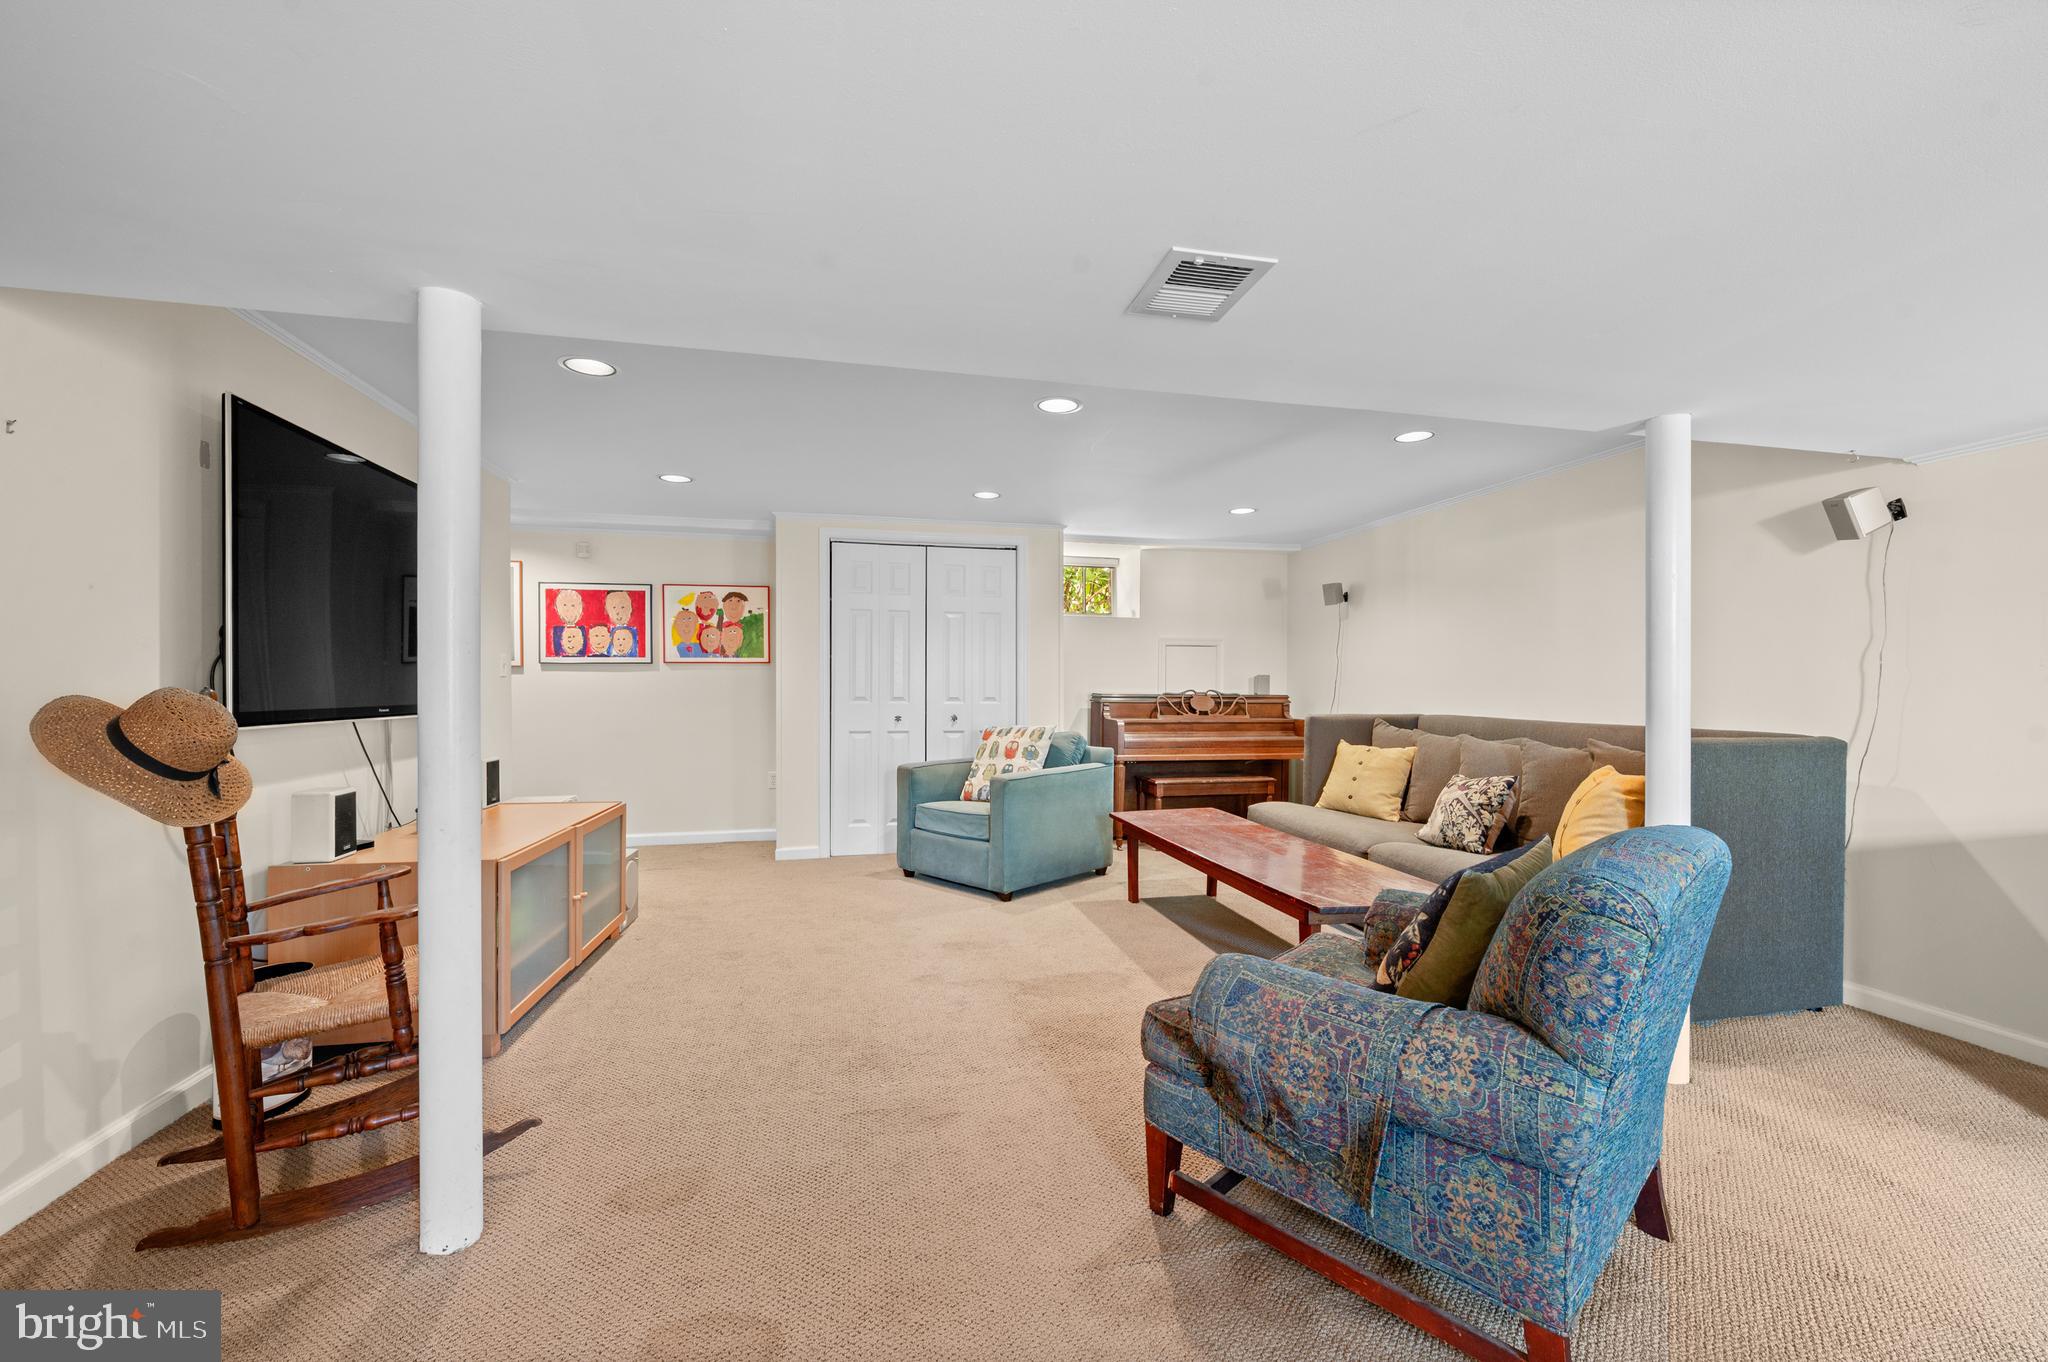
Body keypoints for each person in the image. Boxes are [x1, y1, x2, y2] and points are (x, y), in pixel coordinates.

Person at [603, 590, 638, 655]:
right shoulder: (607, 632)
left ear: (630, 608)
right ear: (607, 610)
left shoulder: (634, 631)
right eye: (614, 607)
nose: (618, 612)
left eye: (622, 607)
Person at [551, 590, 585, 655]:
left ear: (579, 608)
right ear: (558, 607)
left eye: (572, 605)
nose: (568, 609)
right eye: (564, 605)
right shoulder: (557, 631)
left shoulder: (582, 630)